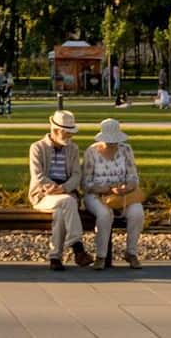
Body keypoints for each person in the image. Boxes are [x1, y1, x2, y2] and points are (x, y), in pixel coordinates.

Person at [27, 111, 91, 271]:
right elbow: (37, 175)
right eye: (67, 132)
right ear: (55, 130)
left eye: (71, 132)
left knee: (62, 210)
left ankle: (55, 257)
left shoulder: (73, 148)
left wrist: (63, 188)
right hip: (44, 194)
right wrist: (53, 187)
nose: (70, 136)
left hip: (66, 192)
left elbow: (77, 174)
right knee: (67, 202)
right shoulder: (37, 147)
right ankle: (77, 247)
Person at [81, 118, 144, 269]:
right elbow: (85, 183)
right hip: (97, 194)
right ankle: (101, 256)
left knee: (137, 212)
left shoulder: (126, 150)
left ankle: (131, 252)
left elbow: (133, 177)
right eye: (109, 141)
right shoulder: (92, 152)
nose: (112, 144)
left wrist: (127, 187)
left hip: (122, 195)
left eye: (115, 141)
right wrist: (107, 189)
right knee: (104, 214)